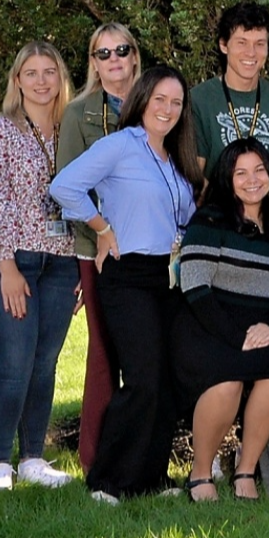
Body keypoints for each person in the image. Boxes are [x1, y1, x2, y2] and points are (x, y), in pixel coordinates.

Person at [52, 65, 204, 504]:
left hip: (168, 278)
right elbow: (64, 187)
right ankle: (107, 480)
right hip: (128, 276)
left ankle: (150, 478)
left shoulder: (173, 157)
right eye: (160, 99)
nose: (168, 109)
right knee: (141, 379)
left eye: (176, 103)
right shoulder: (120, 145)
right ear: (142, 100)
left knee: (166, 380)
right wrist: (102, 228)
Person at [0, 42, 82, 492]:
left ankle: (33, 458)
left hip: (62, 262)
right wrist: (6, 267)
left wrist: (82, 265)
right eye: (30, 73)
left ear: (61, 77)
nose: (41, 81)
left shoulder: (72, 130)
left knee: (44, 364)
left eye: (49, 71)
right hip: (8, 260)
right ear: (17, 80)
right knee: (14, 363)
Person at [175, 139, 269, 501]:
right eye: (240, 173)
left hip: (263, 327)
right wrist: (236, 335)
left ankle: (246, 470)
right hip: (208, 324)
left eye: (259, 170)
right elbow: (194, 285)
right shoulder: (209, 220)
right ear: (226, 179)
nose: (252, 180)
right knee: (227, 381)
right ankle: (201, 473)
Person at [57, 23, 142, 473]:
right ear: (93, 62)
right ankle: (96, 461)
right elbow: (67, 187)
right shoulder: (78, 113)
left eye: (121, 50)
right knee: (105, 355)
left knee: (146, 356)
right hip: (99, 251)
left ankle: (140, 454)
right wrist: (101, 232)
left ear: (134, 56)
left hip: (150, 250)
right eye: (103, 53)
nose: (113, 60)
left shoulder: (155, 104)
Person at [190, 2, 269, 199]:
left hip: (268, 213)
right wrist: (224, 214)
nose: (251, 52)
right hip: (216, 212)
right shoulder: (199, 99)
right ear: (224, 45)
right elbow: (195, 173)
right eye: (241, 43)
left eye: (259, 44)